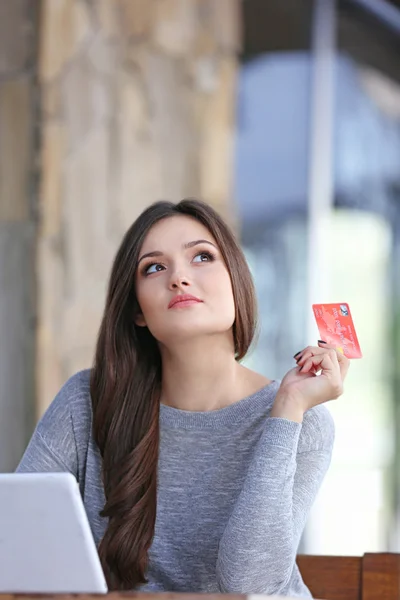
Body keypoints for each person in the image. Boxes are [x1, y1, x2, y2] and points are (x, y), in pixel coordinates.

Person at [17, 199, 349, 597]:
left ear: (236, 281)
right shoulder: (85, 402)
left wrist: (288, 408)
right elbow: (19, 541)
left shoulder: (302, 422)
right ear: (137, 310)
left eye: (202, 257)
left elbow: (248, 585)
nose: (178, 277)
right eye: (154, 267)